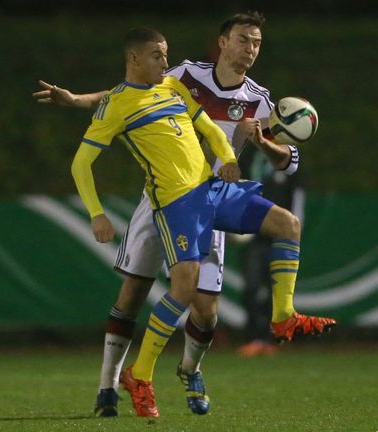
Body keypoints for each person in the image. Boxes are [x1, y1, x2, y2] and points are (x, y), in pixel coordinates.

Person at [54, 20, 335, 419]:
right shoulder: (184, 75)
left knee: (206, 309)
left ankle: (193, 368)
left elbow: (287, 159)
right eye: (243, 40)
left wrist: (256, 143)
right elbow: (127, 92)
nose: (250, 49)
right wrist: (78, 101)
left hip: (212, 191)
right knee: (134, 293)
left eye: (257, 42)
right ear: (223, 42)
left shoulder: (258, 100)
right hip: (162, 201)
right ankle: (108, 389)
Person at [236, 146, 305, 357]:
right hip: (252, 234)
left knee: (274, 289)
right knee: (251, 285)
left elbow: (298, 195)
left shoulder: (288, 155)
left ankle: (269, 338)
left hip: (279, 235)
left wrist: (294, 231)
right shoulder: (246, 154)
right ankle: (251, 338)